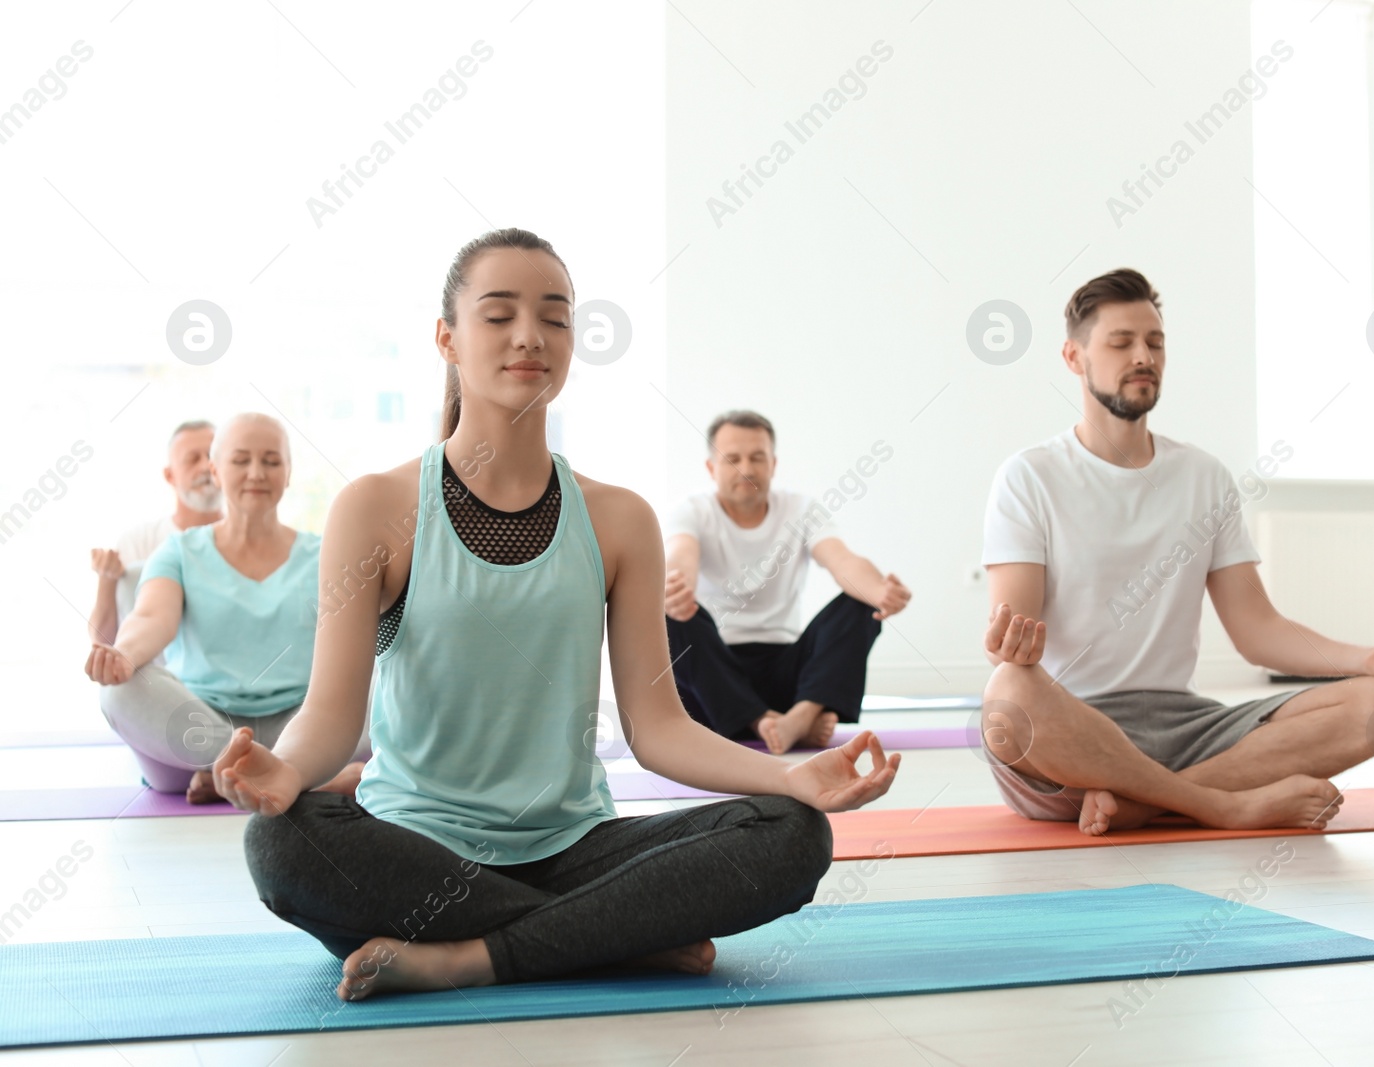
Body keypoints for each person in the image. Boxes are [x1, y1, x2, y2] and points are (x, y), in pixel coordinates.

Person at [213, 228, 901, 1002]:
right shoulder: (376, 506)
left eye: (554, 316)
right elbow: (330, 717)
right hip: (417, 846)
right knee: (283, 843)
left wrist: (792, 773)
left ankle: (473, 956)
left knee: (794, 833)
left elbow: (659, 729)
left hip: (575, 844)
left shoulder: (618, 518)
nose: (530, 337)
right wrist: (287, 770)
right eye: (499, 315)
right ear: (447, 337)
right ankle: (614, 935)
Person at [979, 267, 1374, 836]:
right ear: (1074, 358)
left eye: (1155, 342)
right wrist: (1011, 647)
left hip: (1184, 727)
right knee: (1009, 695)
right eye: (1121, 342)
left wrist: (1367, 658)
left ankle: (1147, 803)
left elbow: (1258, 631)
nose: (1143, 356)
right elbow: (1015, 643)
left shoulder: (1203, 477)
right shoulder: (1029, 476)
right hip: (1073, 729)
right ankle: (1223, 804)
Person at [85, 413, 364, 804]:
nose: (256, 473)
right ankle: (287, 777)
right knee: (119, 692)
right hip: (201, 724)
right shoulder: (178, 550)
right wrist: (123, 655)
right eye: (240, 461)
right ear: (216, 472)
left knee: (385, 686)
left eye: (271, 461)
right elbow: (151, 617)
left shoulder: (325, 553)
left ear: (288, 474)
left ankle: (241, 776)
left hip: (305, 726)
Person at [663, 410, 911, 754]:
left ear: (773, 464)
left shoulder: (801, 509)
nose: (746, 469)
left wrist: (882, 592)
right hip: (715, 679)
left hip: (788, 677)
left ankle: (802, 714)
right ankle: (763, 721)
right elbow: (680, 557)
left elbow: (842, 560)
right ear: (711, 468)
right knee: (670, 617)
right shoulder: (691, 511)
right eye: (732, 459)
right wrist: (674, 588)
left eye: (757, 458)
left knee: (860, 602)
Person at [86, 420, 223, 653]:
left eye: (212, 457)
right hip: (156, 680)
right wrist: (106, 581)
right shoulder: (138, 542)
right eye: (192, 459)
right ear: (170, 476)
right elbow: (104, 645)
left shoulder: (253, 540)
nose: (205, 467)